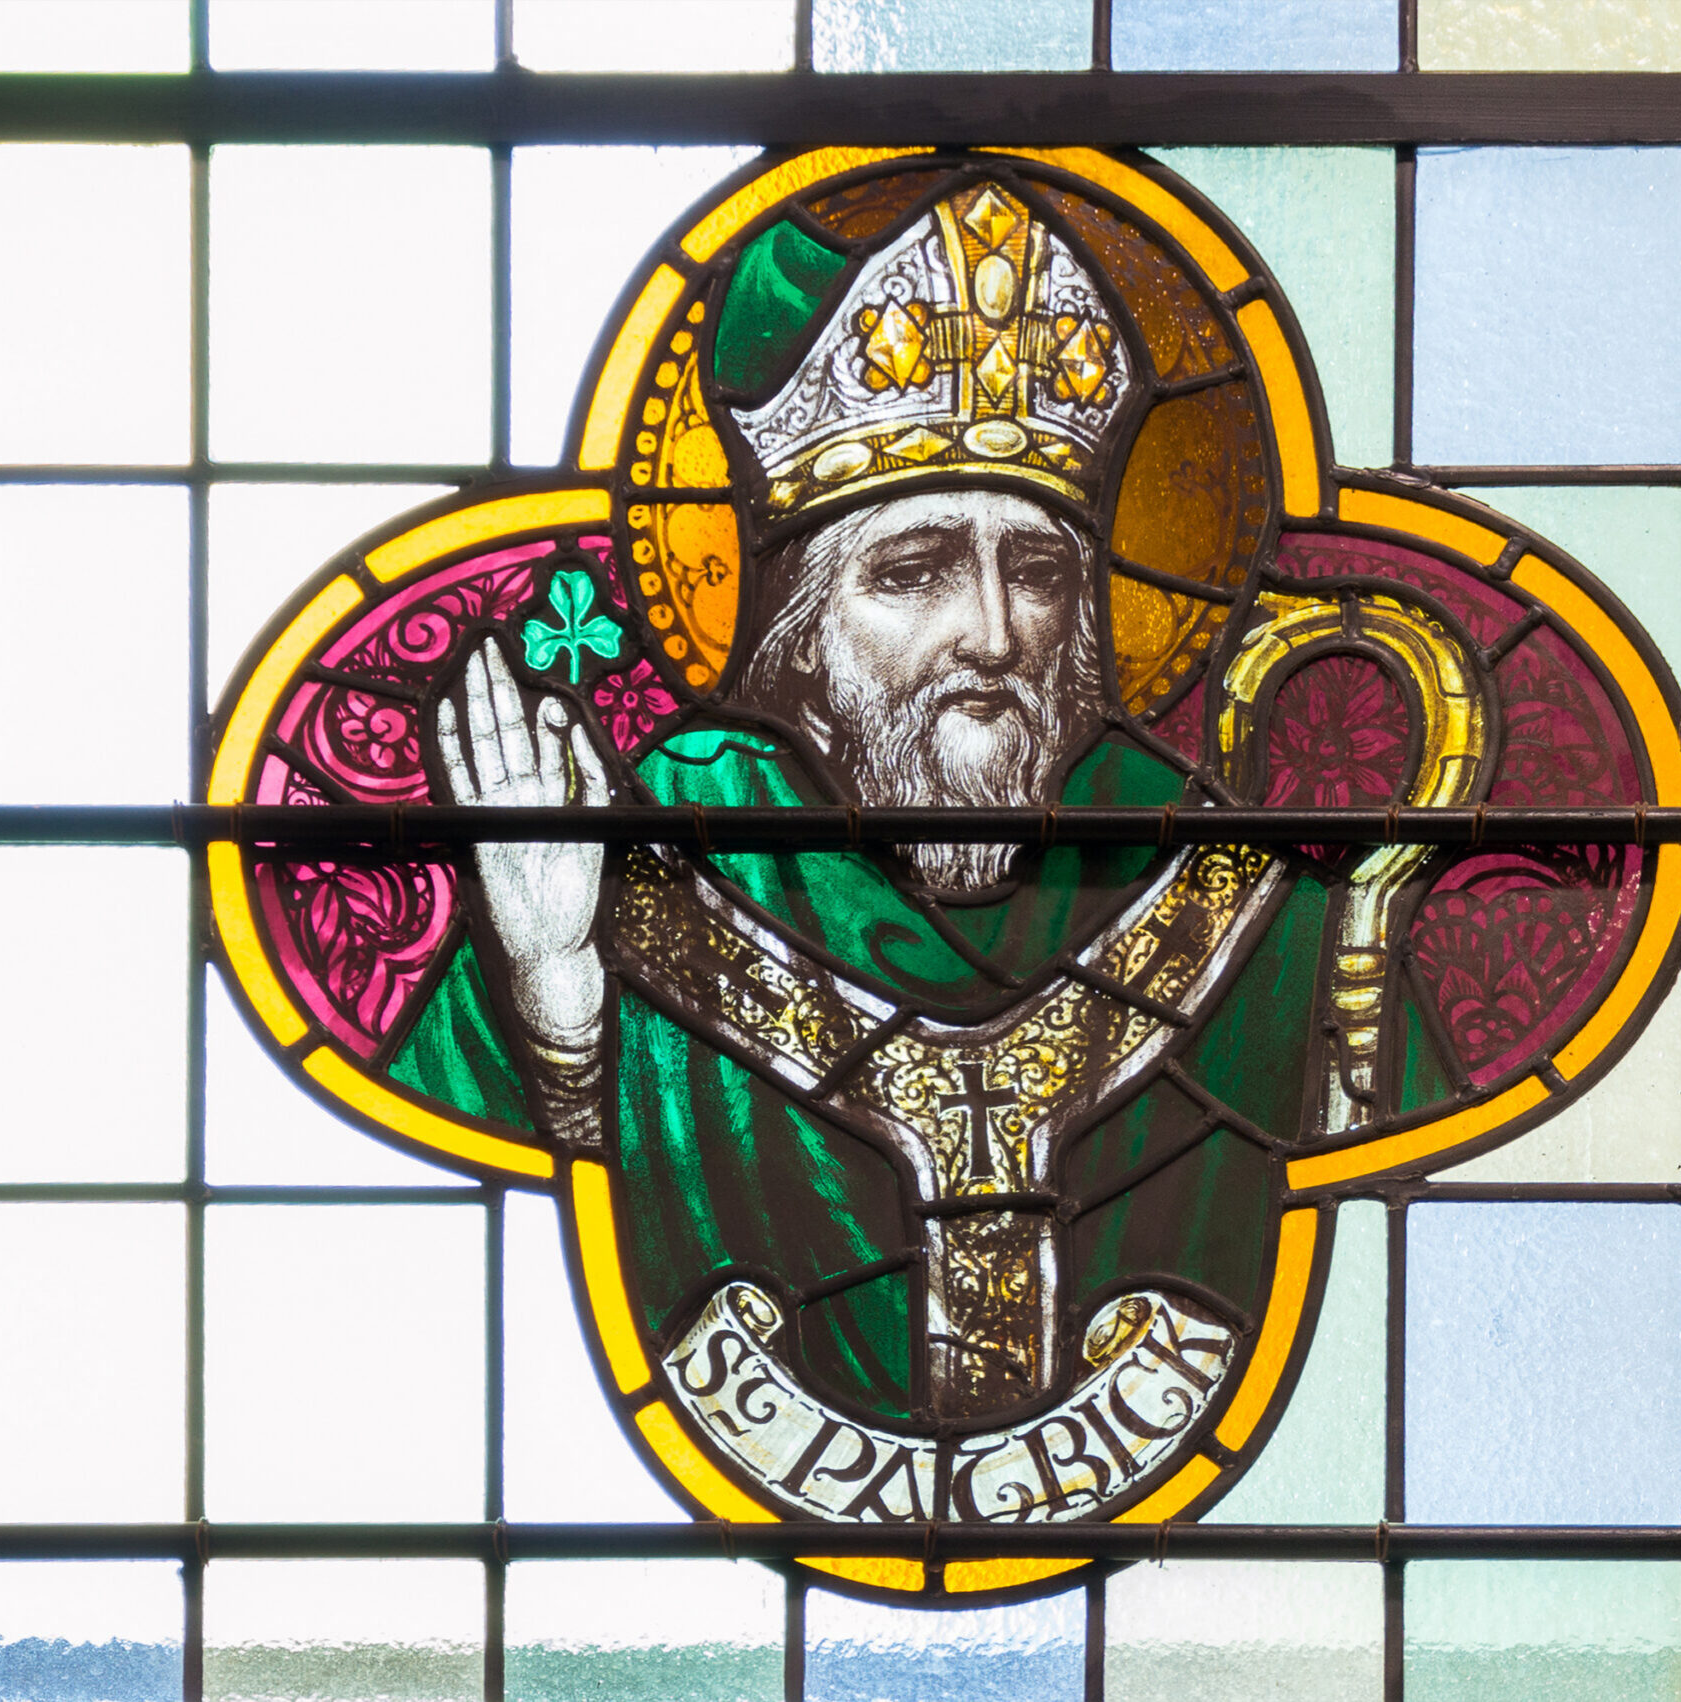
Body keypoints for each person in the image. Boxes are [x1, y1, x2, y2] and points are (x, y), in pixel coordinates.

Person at [387, 181, 1455, 1513]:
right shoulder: (680, 852)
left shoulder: (1225, 882)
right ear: (804, 636)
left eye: (1042, 571)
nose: (995, 633)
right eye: (916, 569)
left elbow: (1408, 1164)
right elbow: (512, 1193)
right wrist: (551, 981)